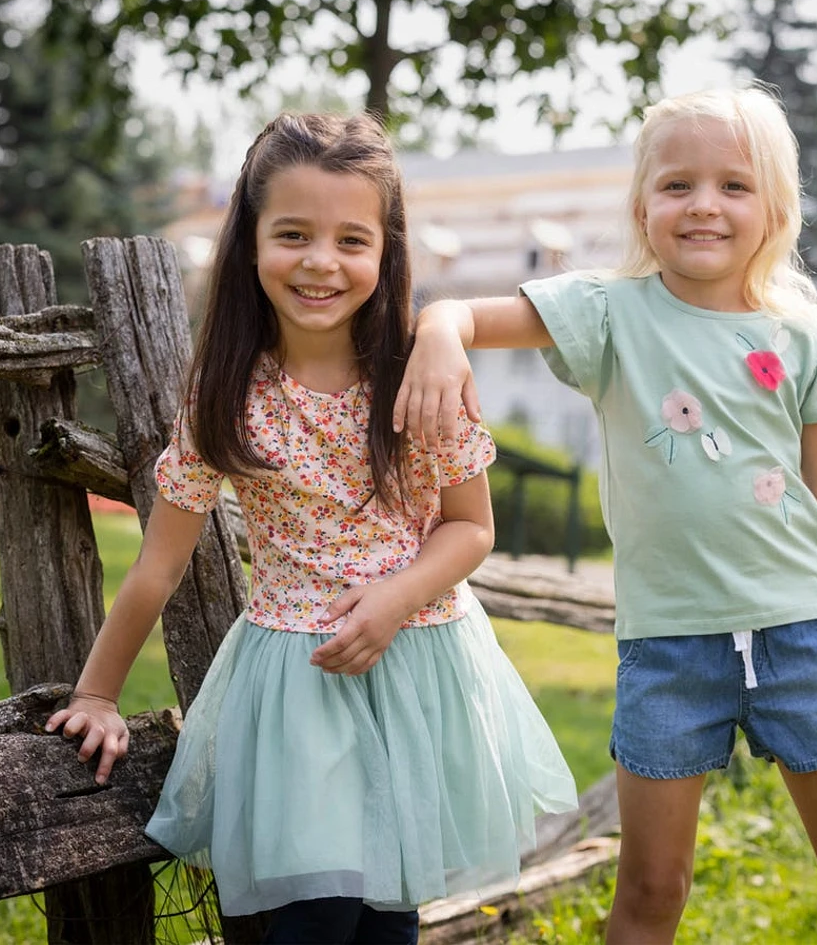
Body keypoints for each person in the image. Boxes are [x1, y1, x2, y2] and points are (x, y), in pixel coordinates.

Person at [393, 85, 817, 945]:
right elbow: (458, 312)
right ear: (643, 206)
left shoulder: (802, 341)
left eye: (734, 186)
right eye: (677, 185)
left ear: (774, 209)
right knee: (649, 891)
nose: (703, 205)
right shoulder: (606, 315)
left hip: (804, 641)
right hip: (669, 652)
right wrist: (441, 333)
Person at [45, 111, 577, 945]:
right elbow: (159, 566)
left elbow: (472, 528)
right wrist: (97, 693)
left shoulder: (423, 378)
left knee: (387, 914)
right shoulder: (226, 395)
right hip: (299, 685)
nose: (321, 262)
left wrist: (397, 598)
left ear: (386, 250)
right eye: (293, 234)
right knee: (314, 916)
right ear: (251, 242)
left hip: (418, 668)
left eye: (351, 240)